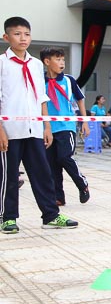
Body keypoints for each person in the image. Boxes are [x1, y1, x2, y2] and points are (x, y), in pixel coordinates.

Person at [0, 17, 78, 233]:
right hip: (10, 131)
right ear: (6, 37)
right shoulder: (2, 63)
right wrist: (1, 131)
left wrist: (46, 126)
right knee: (9, 177)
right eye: (17, 34)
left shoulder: (35, 64)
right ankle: (7, 218)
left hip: (35, 128)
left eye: (26, 34)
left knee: (43, 174)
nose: (22, 38)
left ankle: (51, 215)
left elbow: (41, 97)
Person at [40, 47, 90, 207]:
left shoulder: (69, 80)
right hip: (47, 128)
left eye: (63, 60)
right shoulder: (40, 81)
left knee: (64, 157)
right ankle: (58, 197)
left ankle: (82, 184)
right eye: (58, 59)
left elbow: (80, 99)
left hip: (66, 126)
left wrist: (84, 121)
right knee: (52, 163)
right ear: (47, 62)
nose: (62, 63)